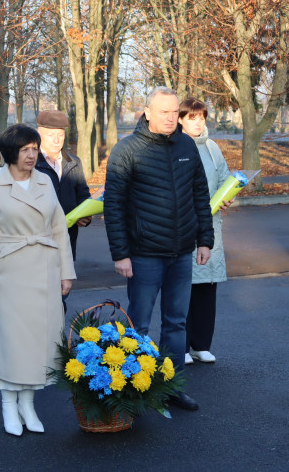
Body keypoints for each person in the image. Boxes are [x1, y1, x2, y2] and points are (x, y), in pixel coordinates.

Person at [103, 87, 214, 412]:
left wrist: (205, 239)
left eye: (173, 111)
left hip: (181, 252)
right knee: (139, 324)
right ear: (147, 112)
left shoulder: (187, 146)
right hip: (143, 255)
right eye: (163, 111)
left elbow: (199, 194)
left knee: (176, 324)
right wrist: (120, 254)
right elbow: (114, 207)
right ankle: (135, 390)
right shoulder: (127, 150)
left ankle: (171, 387)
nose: (169, 117)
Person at [0, 123, 76, 436]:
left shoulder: (44, 180)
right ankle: (8, 404)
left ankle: (28, 403)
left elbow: (59, 229)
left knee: (40, 342)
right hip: (7, 275)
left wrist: (66, 271)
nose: (32, 154)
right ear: (10, 152)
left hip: (45, 269)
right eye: (25, 149)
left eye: (34, 148)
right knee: (11, 342)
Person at [178, 98, 232, 366]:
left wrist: (228, 194)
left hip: (211, 226)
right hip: (185, 224)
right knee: (183, 285)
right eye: (192, 118)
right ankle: (183, 346)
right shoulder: (175, 146)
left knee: (207, 287)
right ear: (180, 120)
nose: (198, 123)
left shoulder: (212, 148)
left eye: (201, 118)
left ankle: (201, 345)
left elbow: (224, 178)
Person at [34, 109, 92, 260]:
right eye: (50, 135)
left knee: (65, 283)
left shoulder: (74, 162)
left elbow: (83, 195)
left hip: (67, 240)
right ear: (38, 134)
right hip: (38, 242)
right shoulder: (31, 163)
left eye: (60, 135)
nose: (56, 140)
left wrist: (86, 216)